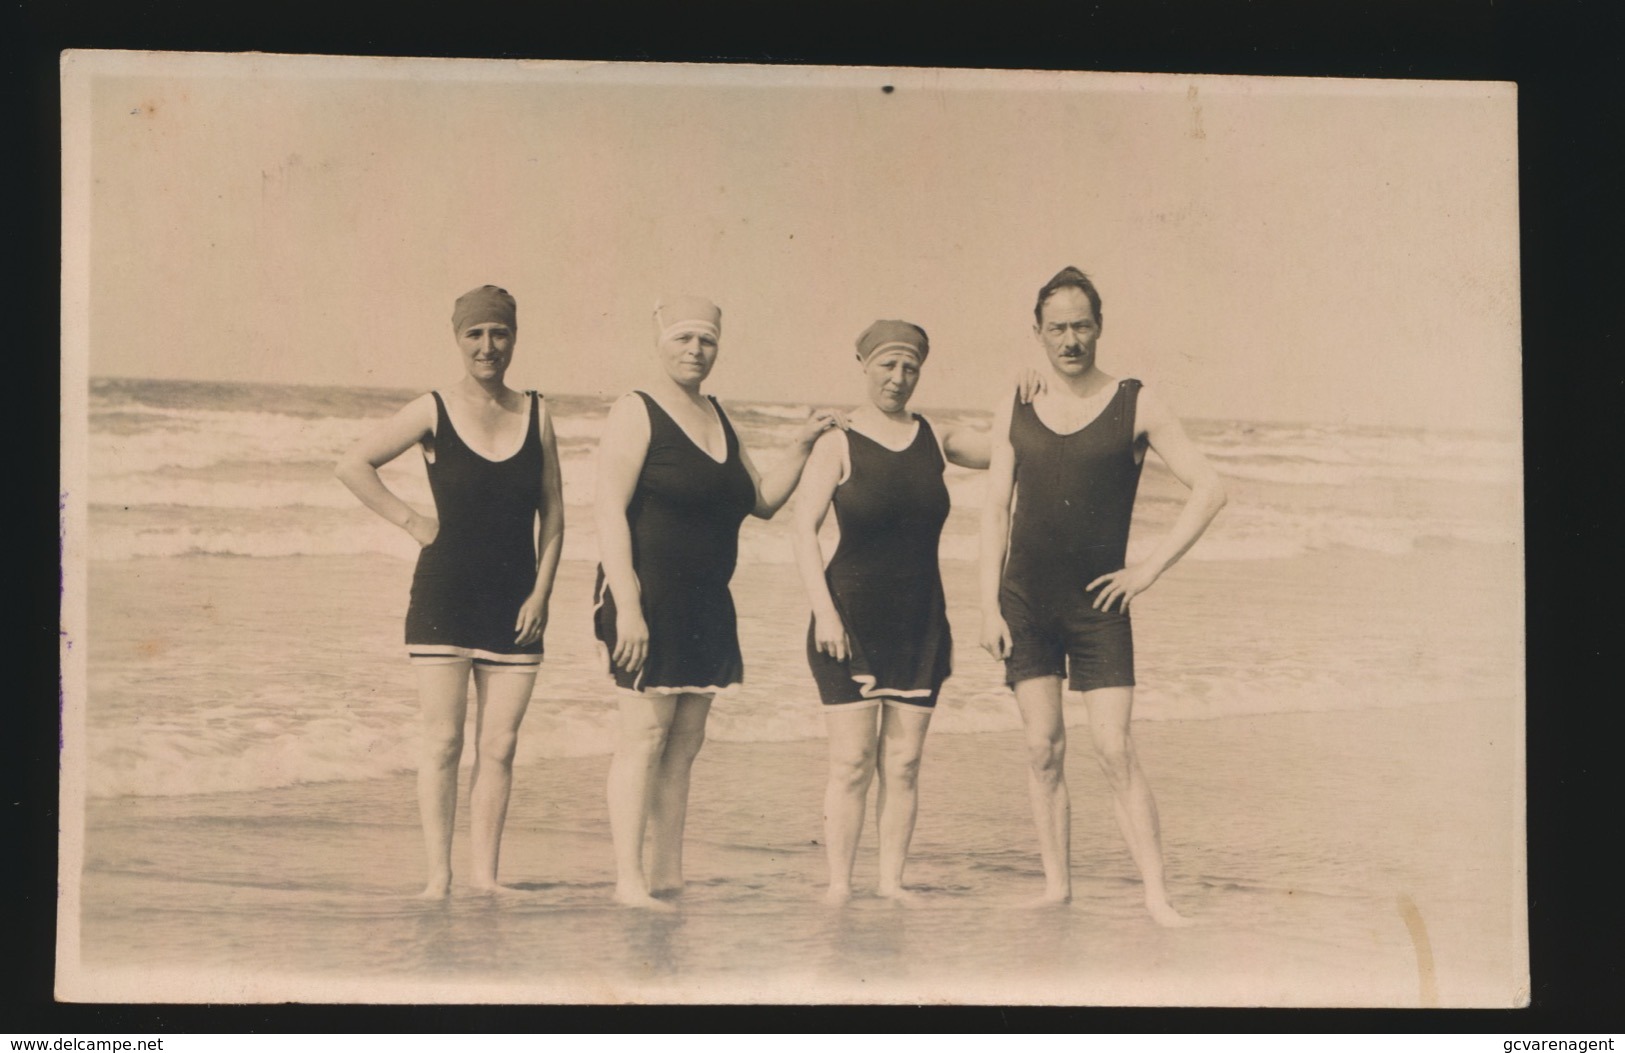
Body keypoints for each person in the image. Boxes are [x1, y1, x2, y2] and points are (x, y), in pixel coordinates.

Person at [979, 267, 1227, 924]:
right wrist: (983, 605)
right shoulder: (1015, 401)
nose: (1069, 338)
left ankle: (1156, 895)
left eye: (1081, 324)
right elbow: (991, 508)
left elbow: (1210, 487)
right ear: (1037, 332)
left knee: (1114, 747)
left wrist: (1144, 571)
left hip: (1099, 608)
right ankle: (1056, 885)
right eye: (1056, 326)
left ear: (1099, 326)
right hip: (1024, 603)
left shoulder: (1135, 401)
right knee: (1042, 746)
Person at [594, 295, 842, 909]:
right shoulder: (637, 409)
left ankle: (667, 875)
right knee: (644, 738)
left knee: (683, 745)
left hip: (705, 603)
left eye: (705, 340)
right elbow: (606, 511)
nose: (694, 350)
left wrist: (802, 444)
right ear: (660, 343)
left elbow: (759, 498)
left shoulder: (716, 413)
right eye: (682, 339)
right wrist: (628, 604)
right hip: (647, 598)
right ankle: (628, 880)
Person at [336, 285, 565, 898]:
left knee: (500, 746)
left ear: (514, 337)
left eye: (499, 333)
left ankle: (486, 878)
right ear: (457, 338)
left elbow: (555, 514)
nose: (488, 346)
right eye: (475, 334)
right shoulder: (433, 408)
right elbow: (353, 464)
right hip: (445, 597)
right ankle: (438, 877)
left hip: (517, 602)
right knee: (442, 741)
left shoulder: (538, 412)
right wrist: (414, 524)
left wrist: (541, 594)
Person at [792, 320, 1012, 904]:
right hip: (847, 618)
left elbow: (1013, 447)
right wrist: (824, 614)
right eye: (888, 365)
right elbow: (801, 529)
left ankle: (891, 884)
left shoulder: (934, 438)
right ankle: (839, 884)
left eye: (910, 367)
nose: (899, 378)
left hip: (920, 620)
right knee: (852, 761)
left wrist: (1033, 393)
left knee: (906, 762)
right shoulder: (838, 442)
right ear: (864, 364)